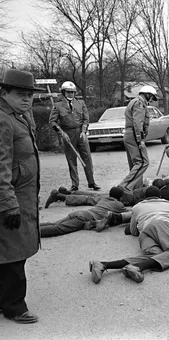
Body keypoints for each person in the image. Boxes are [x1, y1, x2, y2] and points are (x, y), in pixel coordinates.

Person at [0, 68, 45, 324]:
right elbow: (1, 165)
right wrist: (8, 205)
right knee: (13, 254)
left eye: (29, 94)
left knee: (10, 252)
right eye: (20, 93)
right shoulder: (3, 120)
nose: (26, 99)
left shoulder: (16, 115)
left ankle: (5, 301)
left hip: (20, 196)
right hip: (11, 198)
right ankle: (15, 307)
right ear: (4, 93)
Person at [89, 186, 169, 284]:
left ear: (145, 197)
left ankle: (103, 264)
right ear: (160, 196)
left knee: (157, 257)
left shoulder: (137, 206)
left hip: (144, 233)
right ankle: (138, 267)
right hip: (160, 224)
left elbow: (134, 231)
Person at [49, 81, 100, 191]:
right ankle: (75, 184)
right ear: (63, 92)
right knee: (71, 160)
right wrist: (62, 133)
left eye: (73, 92)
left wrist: (83, 131)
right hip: (68, 134)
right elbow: (52, 122)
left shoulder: (81, 103)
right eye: (68, 92)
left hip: (81, 133)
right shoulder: (57, 106)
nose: (71, 94)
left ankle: (92, 182)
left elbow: (86, 119)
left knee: (87, 158)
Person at [39, 186, 128, 237]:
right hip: (85, 217)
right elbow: (129, 213)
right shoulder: (119, 205)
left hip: (80, 212)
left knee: (54, 224)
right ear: (120, 197)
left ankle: (32, 228)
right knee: (58, 229)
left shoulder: (103, 199)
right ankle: (33, 234)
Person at [118, 85, 157, 193]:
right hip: (134, 134)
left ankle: (136, 188)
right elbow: (137, 123)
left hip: (130, 134)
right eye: (151, 97)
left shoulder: (134, 101)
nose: (151, 100)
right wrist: (141, 140)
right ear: (147, 95)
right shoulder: (139, 103)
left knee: (135, 164)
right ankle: (123, 187)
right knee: (143, 162)